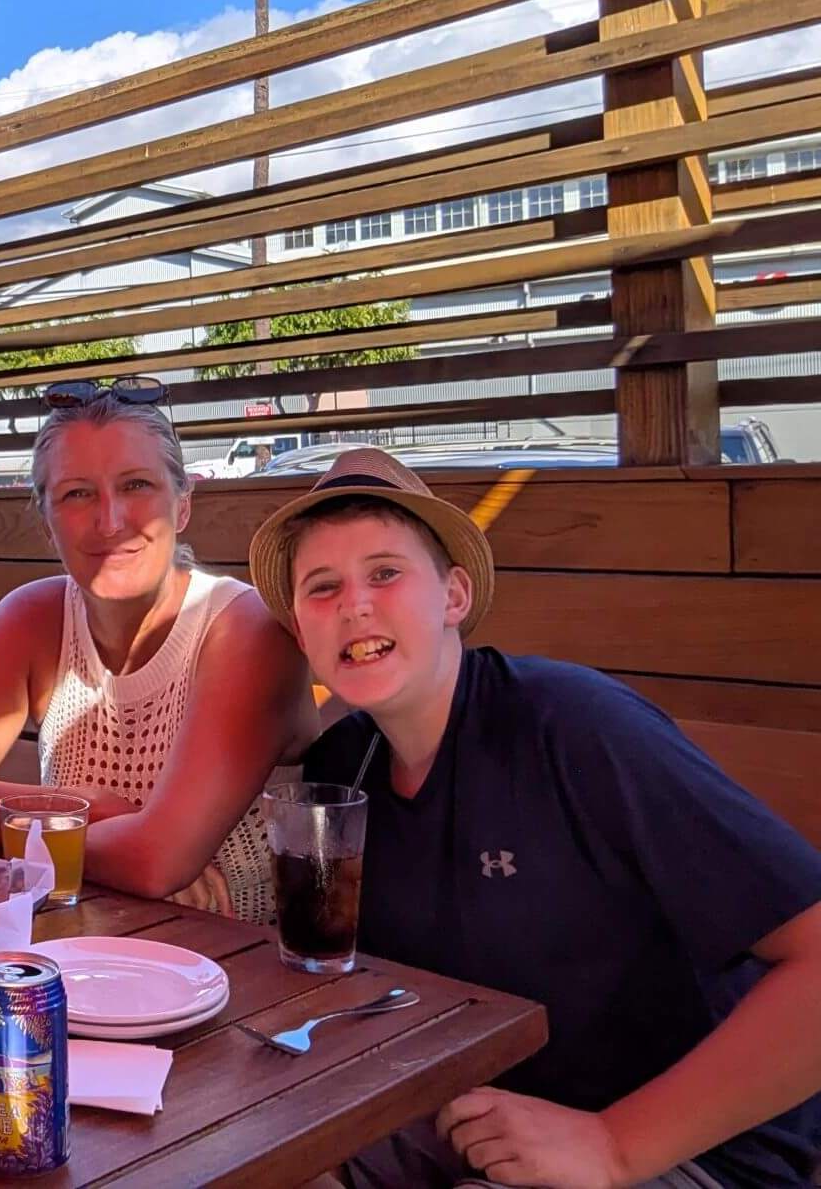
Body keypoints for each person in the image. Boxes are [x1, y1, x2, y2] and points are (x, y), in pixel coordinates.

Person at [252, 447, 821, 1188]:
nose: (355, 603)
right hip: (464, 1111)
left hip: (682, 1147)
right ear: (301, 632)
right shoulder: (341, 770)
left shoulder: (576, 729)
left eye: (386, 573)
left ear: (454, 596)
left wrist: (616, 1145)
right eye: (322, 587)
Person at [0, 378, 317, 922]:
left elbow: (157, 862)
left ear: (182, 506)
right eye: (77, 494)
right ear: (46, 522)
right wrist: (78, 808)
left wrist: (39, 843)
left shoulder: (242, 629)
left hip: (241, 972)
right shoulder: (32, 619)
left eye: (136, 485)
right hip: (77, 946)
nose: (110, 521)